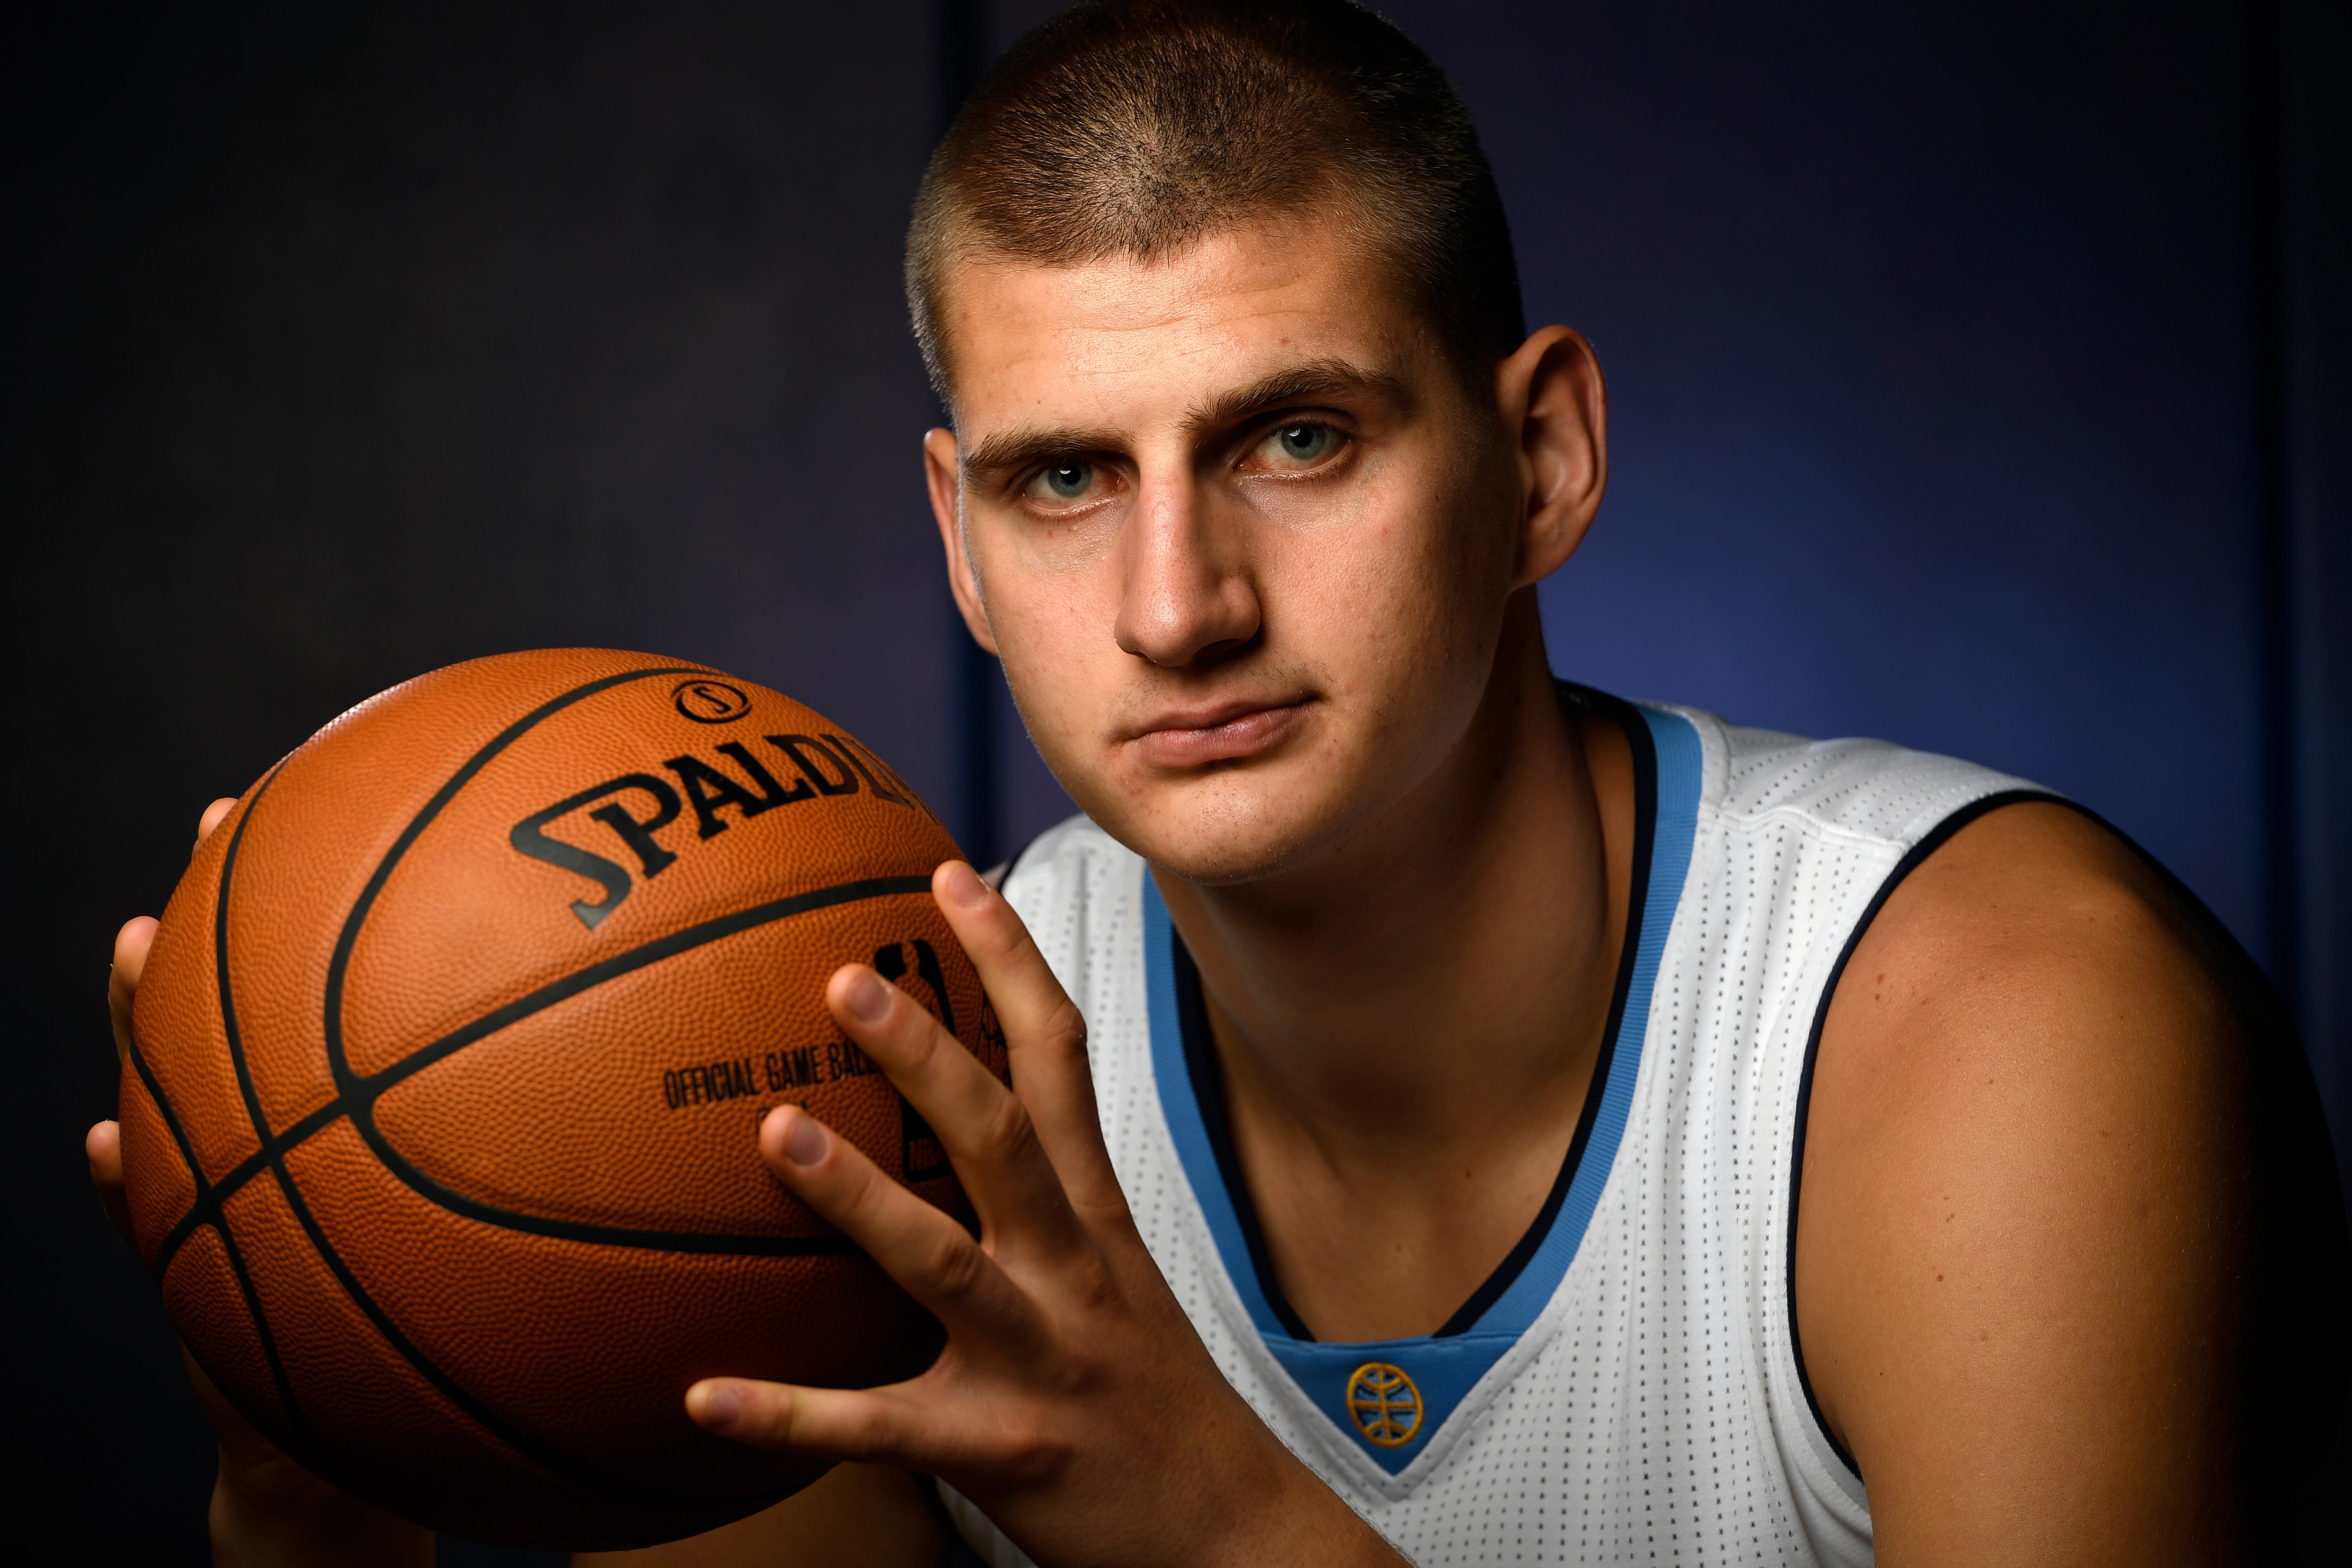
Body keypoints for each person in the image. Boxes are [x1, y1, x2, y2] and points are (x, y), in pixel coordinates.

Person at [87, 2, 2347, 1563]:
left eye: (1298, 438)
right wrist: (331, 1508)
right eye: (1068, 479)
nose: (1179, 605)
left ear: (1543, 456)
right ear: (961, 542)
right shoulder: (872, 1055)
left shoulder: (1990, 1021)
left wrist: (1219, 1532)